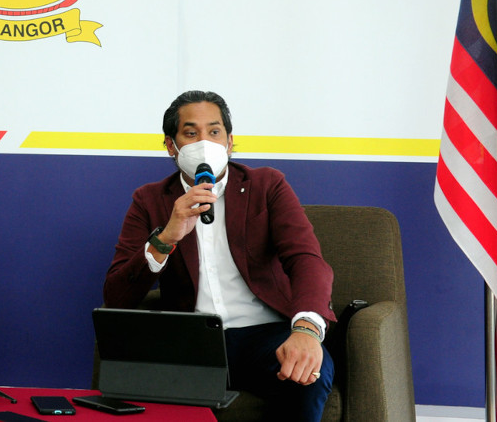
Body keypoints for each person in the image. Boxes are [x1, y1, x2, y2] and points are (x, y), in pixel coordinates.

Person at [103, 90, 334, 421]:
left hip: (265, 333)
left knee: (310, 373)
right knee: (136, 386)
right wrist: (167, 236)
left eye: (214, 132)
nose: (204, 142)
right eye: (191, 133)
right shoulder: (150, 200)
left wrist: (307, 330)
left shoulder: (267, 185)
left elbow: (307, 260)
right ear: (171, 146)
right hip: (193, 340)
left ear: (229, 142)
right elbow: (116, 296)